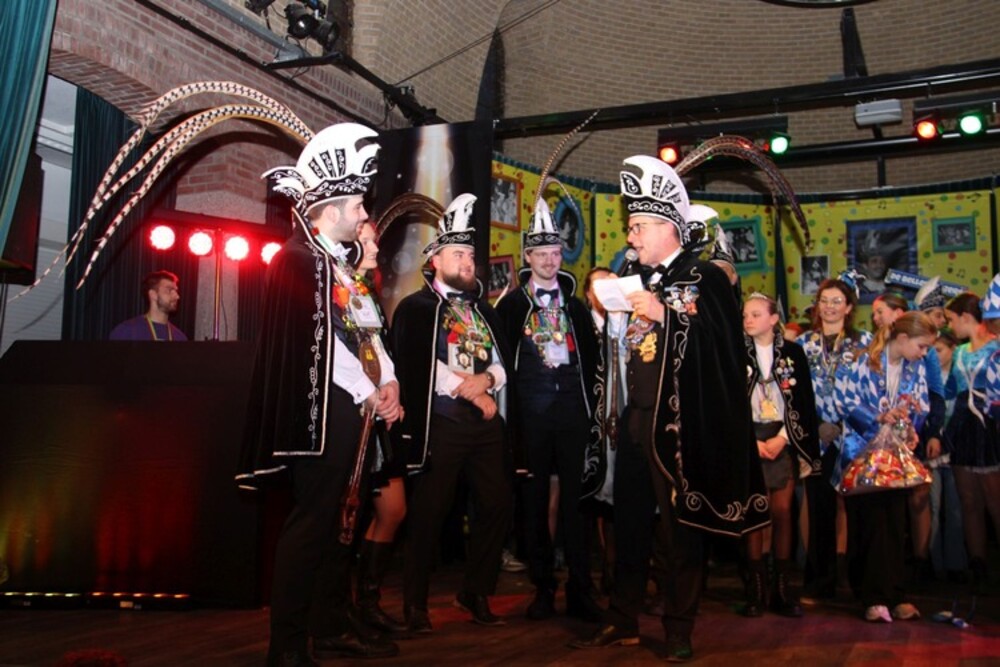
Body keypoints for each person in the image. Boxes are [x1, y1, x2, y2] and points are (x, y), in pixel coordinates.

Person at [571, 155, 768, 662]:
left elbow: (722, 349)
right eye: (631, 226)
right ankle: (622, 618)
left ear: (667, 227)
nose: (630, 235)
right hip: (636, 418)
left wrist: (665, 314)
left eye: (638, 226)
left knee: (681, 531)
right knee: (628, 524)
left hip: (679, 425)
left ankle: (679, 627)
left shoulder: (706, 276)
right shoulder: (635, 277)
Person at [236, 124, 401, 666]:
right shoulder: (297, 260)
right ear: (330, 210)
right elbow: (320, 344)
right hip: (323, 415)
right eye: (357, 205)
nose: (363, 214)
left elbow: (368, 333)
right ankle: (286, 647)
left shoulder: (342, 268)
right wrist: (370, 390)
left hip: (355, 413)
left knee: (341, 526)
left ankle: (328, 626)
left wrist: (389, 381)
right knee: (312, 525)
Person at [389, 193, 515, 633]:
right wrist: (472, 392)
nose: (467, 262)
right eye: (458, 254)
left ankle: (476, 591)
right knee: (429, 513)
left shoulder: (484, 311)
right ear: (436, 261)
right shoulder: (416, 308)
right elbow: (415, 364)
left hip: (485, 428)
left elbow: (502, 362)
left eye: (470, 255)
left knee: (497, 505)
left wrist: (489, 381)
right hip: (440, 424)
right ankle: (415, 604)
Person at [495, 199, 601, 622]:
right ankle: (542, 587)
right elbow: (500, 364)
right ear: (528, 257)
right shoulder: (511, 307)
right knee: (534, 502)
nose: (549, 261)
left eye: (555, 253)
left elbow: (594, 363)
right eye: (541, 254)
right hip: (531, 418)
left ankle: (581, 587)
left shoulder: (576, 308)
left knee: (578, 502)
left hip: (573, 414)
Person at [836, 311, 936, 622]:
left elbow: (921, 404)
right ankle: (872, 596)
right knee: (869, 523)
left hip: (895, 457)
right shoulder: (862, 361)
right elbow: (844, 400)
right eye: (921, 346)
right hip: (862, 454)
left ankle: (896, 593)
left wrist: (911, 423)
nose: (924, 353)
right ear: (903, 338)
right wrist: (877, 417)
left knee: (895, 522)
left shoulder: (915, 369)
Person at [741, 293, 820, 618]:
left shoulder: (792, 353)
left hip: (783, 436)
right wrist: (750, 440)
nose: (748, 320)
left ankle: (783, 589)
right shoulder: (736, 352)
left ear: (774, 319)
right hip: (750, 436)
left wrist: (784, 437)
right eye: (745, 315)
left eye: (755, 314)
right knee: (755, 512)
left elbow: (802, 400)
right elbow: (728, 401)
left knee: (782, 510)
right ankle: (756, 590)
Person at [796, 275, 872, 603]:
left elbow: (871, 389)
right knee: (820, 509)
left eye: (837, 301)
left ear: (849, 307)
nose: (829, 307)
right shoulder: (803, 344)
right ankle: (819, 583)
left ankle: (860, 583)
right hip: (818, 438)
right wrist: (817, 426)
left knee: (858, 511)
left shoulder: (864, 342)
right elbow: (795, 392)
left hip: (854, 436)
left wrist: (845, 424)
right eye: (824, 301)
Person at [351, 220, 410, 637]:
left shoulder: (366, 293)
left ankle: (367, 601)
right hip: (351, 415)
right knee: (346, 520)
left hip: (379, 416)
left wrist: (391, 391)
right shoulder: (333, 289)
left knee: (394, 510)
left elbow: (379, 351)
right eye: (367, 240)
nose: (374, 248)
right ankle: (342, 610)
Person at [943, 290, 1000, 593]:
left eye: (952, 320)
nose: (950, 326)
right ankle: (977, 564)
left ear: (966, 317)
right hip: (963, 426)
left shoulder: (996, 347)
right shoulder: (960, 352)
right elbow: (951, 389)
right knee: (968, 499)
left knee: (994, 498)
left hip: (990, 424)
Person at [109, 270, 188, 341]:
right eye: (169, 290)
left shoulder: (180, 338)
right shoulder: (127, 331)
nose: (177, 296)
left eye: (176, 291)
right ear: (153, 294)